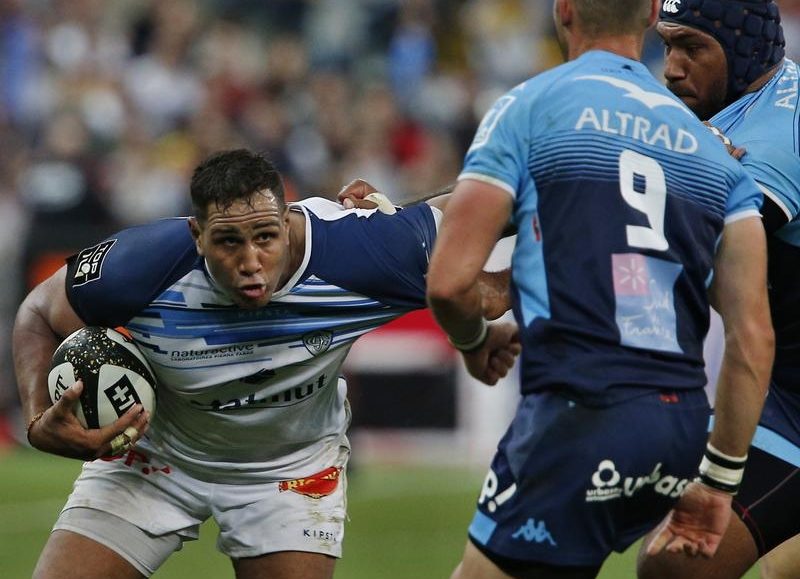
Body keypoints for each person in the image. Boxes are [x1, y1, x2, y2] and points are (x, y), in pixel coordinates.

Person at [14, 148, 519, 579]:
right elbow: (38, 311)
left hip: (291, 470)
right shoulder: (139, 266)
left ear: (286, 219)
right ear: (196, 234)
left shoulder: (363, 253)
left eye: (265, 237)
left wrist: (478, 327)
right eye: (228, 242)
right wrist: (38, 419)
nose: (251, 262)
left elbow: (491, 213)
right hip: (154, 457)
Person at [423, 0, 775, 577]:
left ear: (563, 10)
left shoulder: (528, 107)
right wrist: (719, 483)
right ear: (651, 15)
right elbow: (753, 336)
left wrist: (474, 340)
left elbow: (447, 284)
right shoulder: (716, 153)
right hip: (680, 430)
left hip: (580, 411)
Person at [638, 1, 800, 578]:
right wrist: (422, 218)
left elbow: (685, 267)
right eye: (667, 45)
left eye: (692, 48)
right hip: (787, 400)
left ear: (745, 48)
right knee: (675, 564)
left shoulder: (773, 144)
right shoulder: (734, 107)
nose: (672, 67)